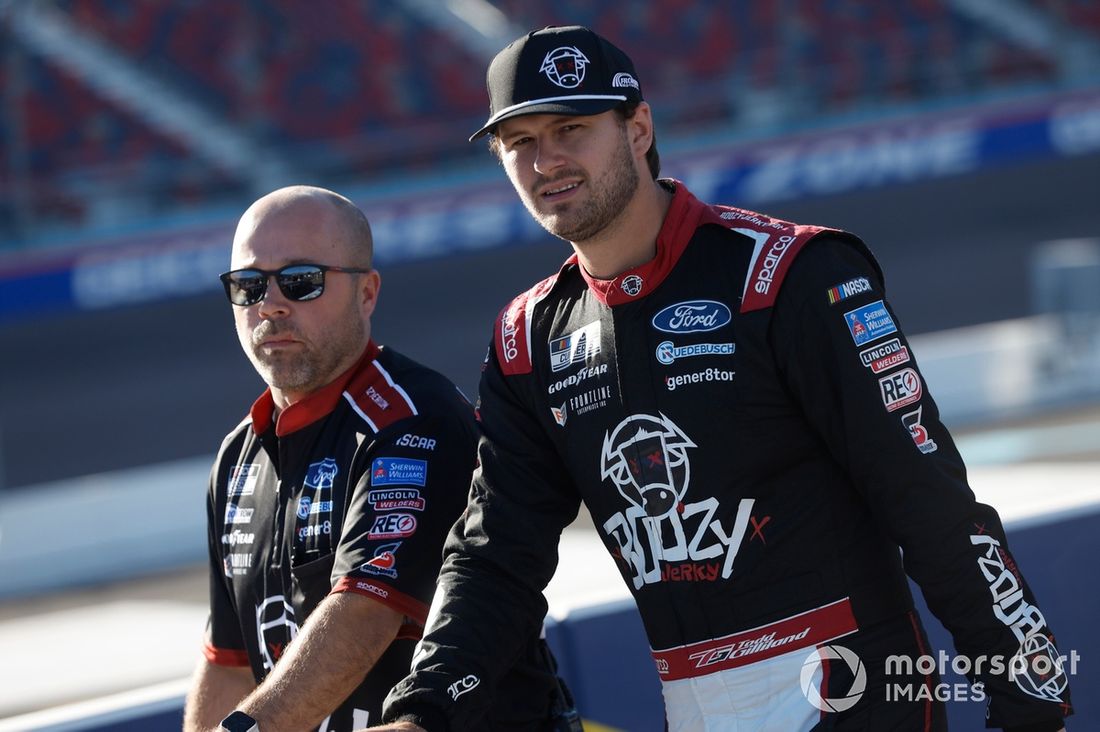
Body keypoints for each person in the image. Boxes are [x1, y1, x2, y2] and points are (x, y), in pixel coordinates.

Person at [370, 26, 1073, 732]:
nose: (545, 160)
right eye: (518, 142)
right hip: (694, 706)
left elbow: (933, 507)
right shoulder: (529, 339)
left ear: (638, 127)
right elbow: (494, 557)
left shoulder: (790, 276)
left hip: (852, 694)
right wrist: (420, 710)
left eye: (571, 128)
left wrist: (1031, 700)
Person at [182, 186, 560, 732]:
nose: (271, 304)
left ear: (368, 293)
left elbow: (366, 614)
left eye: (300, 281)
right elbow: (229, 662)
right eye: (248, 285)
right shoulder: (237, 456)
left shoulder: (413, 418)